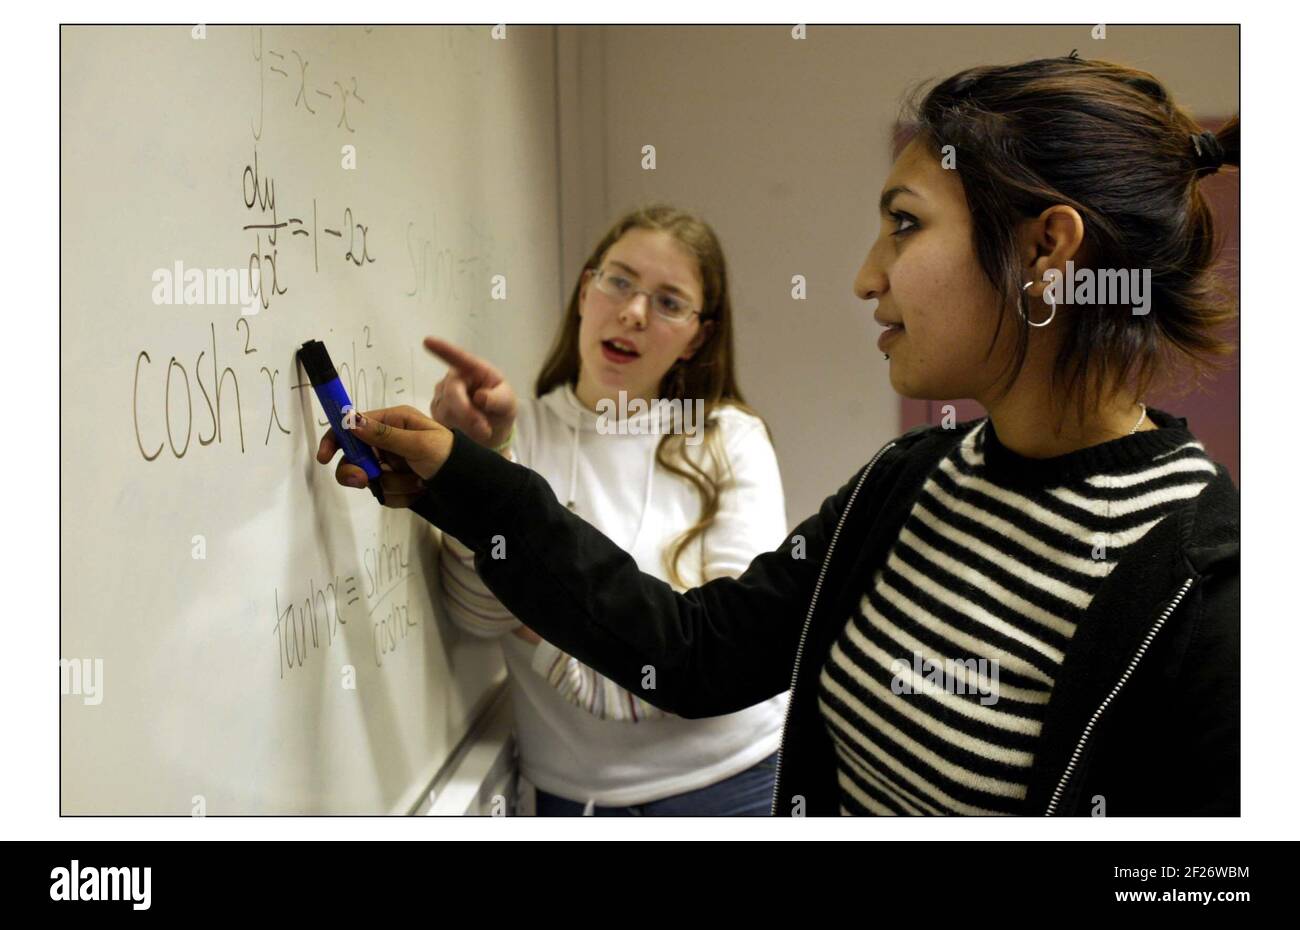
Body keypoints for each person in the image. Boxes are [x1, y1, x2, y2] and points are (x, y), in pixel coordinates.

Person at [318, 55, 1240, 816]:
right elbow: (692, 650)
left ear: (1046, 254)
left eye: (905, 226)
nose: (865, 277)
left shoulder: (1207, 587)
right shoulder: (908, 484)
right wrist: (463, 478)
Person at [424, 205, 789, 815]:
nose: (634, 312)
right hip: (573, 798)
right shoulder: (520, 434)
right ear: (585, 290)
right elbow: (474, 615)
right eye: (618, 281)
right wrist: (482, 463)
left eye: (669, 302)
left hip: (734, 786)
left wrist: (536, 598)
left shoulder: (730, 437)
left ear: (697, 335)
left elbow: (724, 655)